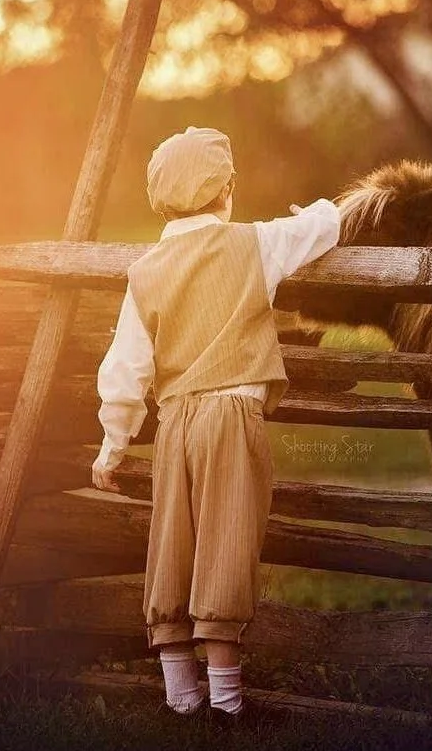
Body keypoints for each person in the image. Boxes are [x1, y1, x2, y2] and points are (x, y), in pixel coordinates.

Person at [91, 126, 340, 718]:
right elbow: (327, 225)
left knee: (172, 544)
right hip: (231, 415)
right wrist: (318, 210)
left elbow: (127, 364)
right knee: (226, 543)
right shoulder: (255, 244)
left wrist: (113, 441)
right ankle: (227, 705)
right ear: (225, 189)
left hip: (174, 420)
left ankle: (181, 700)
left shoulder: (146, 270)